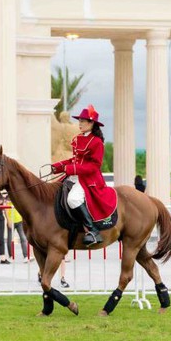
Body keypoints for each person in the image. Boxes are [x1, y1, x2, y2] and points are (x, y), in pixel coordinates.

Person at [50, 105, 116, 247]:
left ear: (91, 123)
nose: (79, 123)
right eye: (79, 120)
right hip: (74, 176)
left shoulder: (97, 142)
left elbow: (94, 166)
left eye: (83, 121)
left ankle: (92, 230)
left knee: (73, 199)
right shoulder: (78, 139)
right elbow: (73, 160)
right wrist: (58, 166)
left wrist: (71, 169)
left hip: (88, 179)